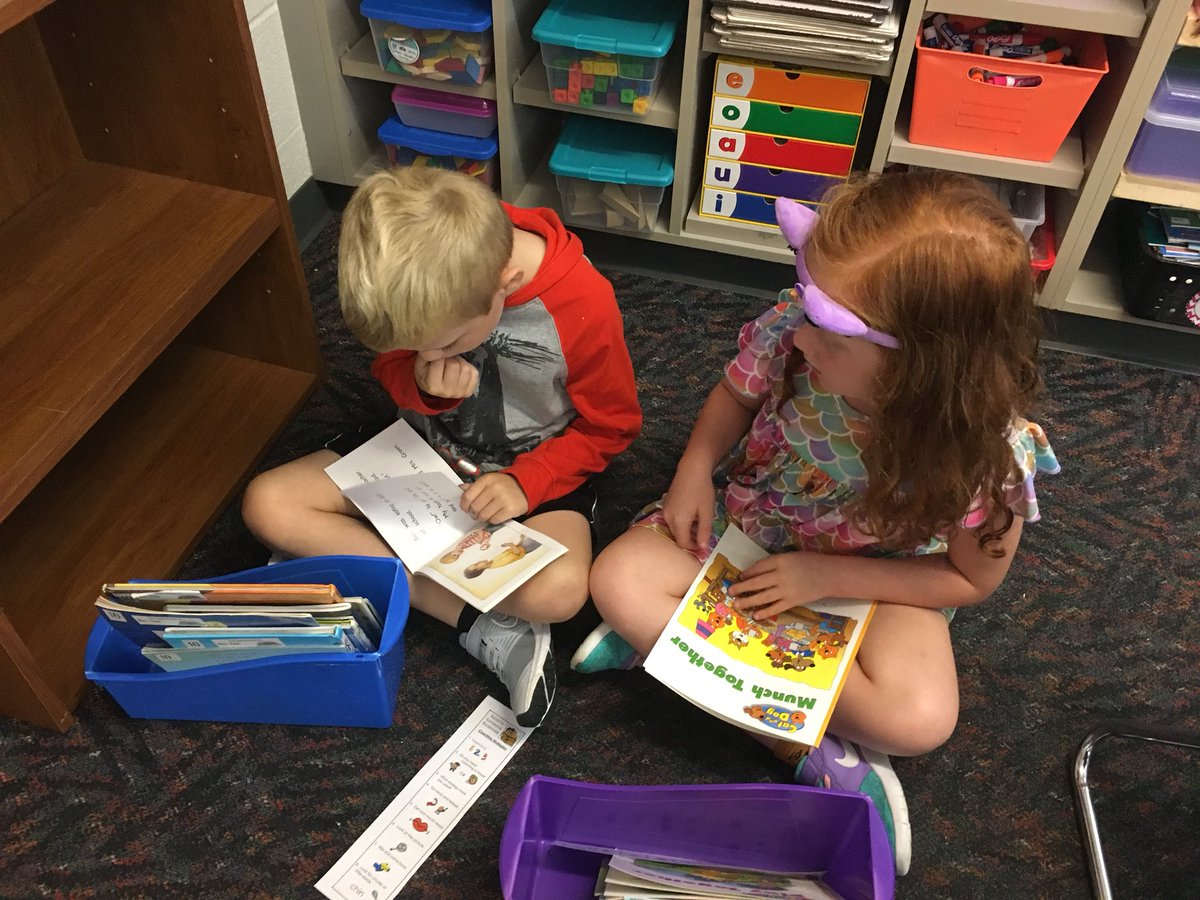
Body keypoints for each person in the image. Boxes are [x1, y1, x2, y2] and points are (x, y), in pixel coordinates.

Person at [572, 171, 1060, 875]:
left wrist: (824, 575)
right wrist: (693, 471)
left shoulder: (991, 459)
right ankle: (787, 730)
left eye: (830, 333)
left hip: (883, 579)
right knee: (617, 578)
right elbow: (733, 397)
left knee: (919, 720)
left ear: (925, 370)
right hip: (761, 523)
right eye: (806, 306)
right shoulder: (795, 331)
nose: (801, 337)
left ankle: (686, 659)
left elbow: (968, 578)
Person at [242, 166, 641, 727]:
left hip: (534, 472)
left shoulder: (583, 303)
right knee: (268, 502)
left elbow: (612, 427)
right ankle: (477, 623)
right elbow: (390, 368)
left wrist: (526, 483)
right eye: (417, 346)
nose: (430, 354)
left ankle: (353, 562)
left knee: (559, 593)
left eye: (446, 341)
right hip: (420, 449)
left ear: (504, 282)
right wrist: (420, 385)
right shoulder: (420, 271)